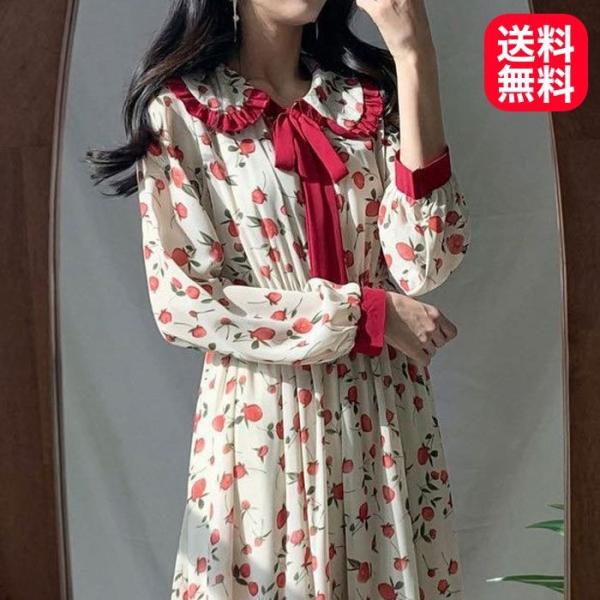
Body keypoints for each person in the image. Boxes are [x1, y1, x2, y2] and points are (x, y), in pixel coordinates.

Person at [86, 0, 471, 597]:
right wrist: (364, 315)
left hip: (382, 424)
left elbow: (426, 260)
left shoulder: (365, 102)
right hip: (264, 427)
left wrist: (414, 53)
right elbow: (184, 304)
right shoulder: (184, 111)